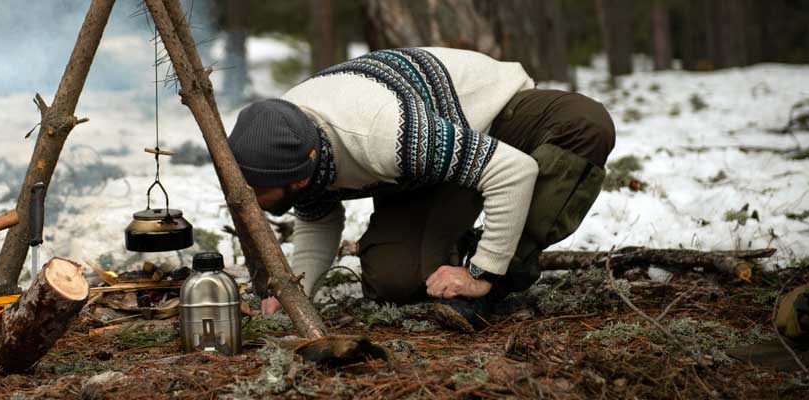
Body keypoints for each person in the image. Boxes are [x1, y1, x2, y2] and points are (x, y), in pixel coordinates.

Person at [228, 47, 615, 331]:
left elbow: (512, 171)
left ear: (297, 178)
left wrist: (483, 271)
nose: (249, 199)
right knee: (396, 283)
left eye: (256, 192)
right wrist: (298, 290)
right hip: (422, 170)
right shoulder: (284, 139)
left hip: (490, 117)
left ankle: (498, 272)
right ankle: (471, 242)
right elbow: (317, 217)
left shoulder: (381, 132)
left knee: (585, 123)